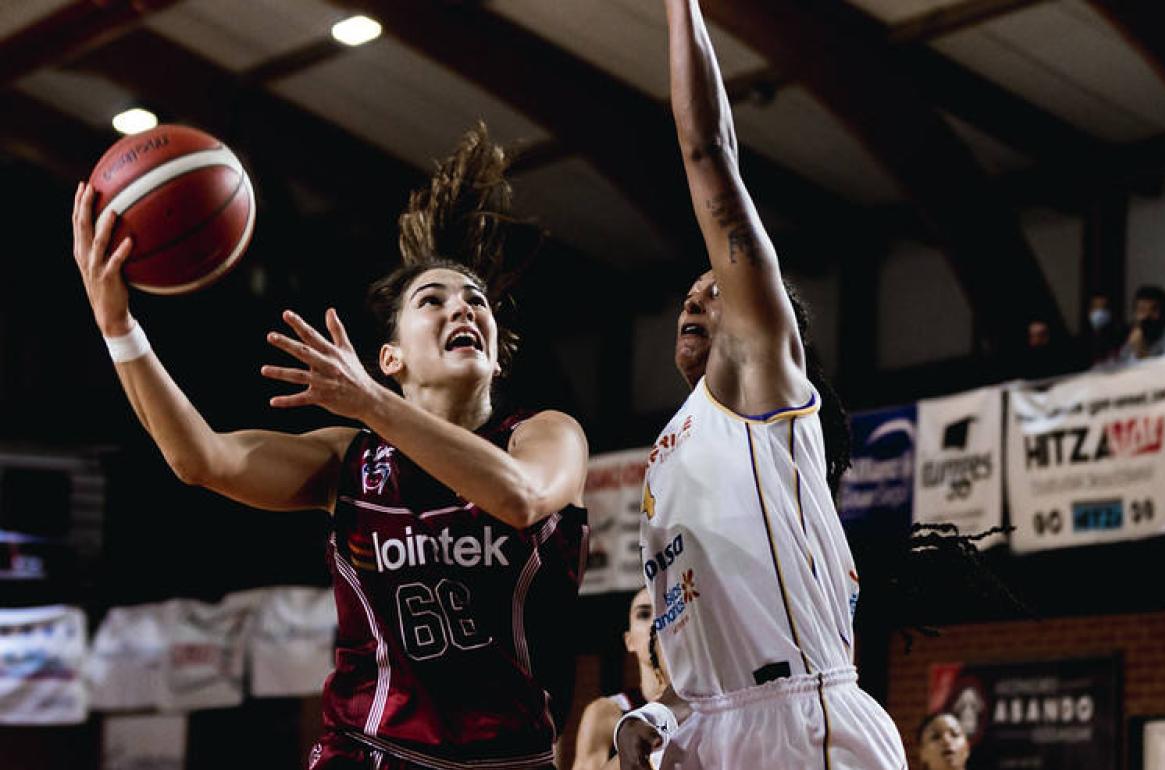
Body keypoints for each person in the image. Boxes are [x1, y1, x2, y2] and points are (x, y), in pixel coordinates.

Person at [70, 125, 589, 770]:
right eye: (434, 299)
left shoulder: (546, 434)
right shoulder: (349, 460)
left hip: (512, 758)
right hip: (369, 752)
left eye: (476, 300)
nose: (464, 308)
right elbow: (198, 458)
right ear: (390, 356)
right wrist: (118, 327)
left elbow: (518, 498)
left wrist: (373, 401)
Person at [613, 1, 907, 767]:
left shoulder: (757, 381)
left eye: (716, 290)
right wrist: (656, 713)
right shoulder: (671, 449)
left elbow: (708, 148)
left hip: (802, 720)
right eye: (689, 292)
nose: (695, 298)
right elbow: (699, 660)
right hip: (716, 727)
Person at [571, 588, 668, 770]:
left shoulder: (707, 703)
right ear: (629, 641)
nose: (656, 621)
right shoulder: (605, 713)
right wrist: (631, 752)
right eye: (644, 614)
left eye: (665, 610)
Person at [1116, 284, 1165, 364]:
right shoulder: (1136, 334)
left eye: (1154, 309)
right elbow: (1121, 366)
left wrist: (1142, 352)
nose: (1147, 315)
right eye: (1142, 310)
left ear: (1164, 313)